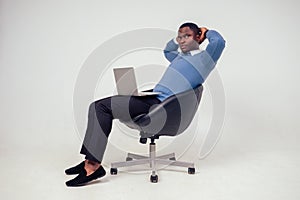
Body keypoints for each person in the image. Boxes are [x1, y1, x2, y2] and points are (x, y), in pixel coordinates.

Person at [65, 22, 225, 187]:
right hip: (151, 99)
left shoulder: (205, 59)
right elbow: (167, 50)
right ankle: (88, 161)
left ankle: (92, 167)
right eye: (180, 37)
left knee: (101, 107)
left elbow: (219, 42)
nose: (182, 40)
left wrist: (206, 32)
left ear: (198, 37)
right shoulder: (180, 56)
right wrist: (177, 39)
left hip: (163, 108)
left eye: (187, 36)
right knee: (96, 106)